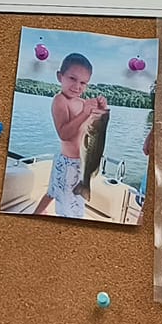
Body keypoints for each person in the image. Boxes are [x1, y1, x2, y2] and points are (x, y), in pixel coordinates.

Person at [46, 53, 107, 217]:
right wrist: (84, 113)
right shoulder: (60, 100)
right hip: (68, 165)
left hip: (81, 163)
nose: (77, 86)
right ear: (60, 76)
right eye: (72, 78)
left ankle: (39, 211)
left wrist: (102, 110)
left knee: (54, 191)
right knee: (70, 208)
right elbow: (64, 134)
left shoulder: (82, 103)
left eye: (83, 82)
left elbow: (94, 129)